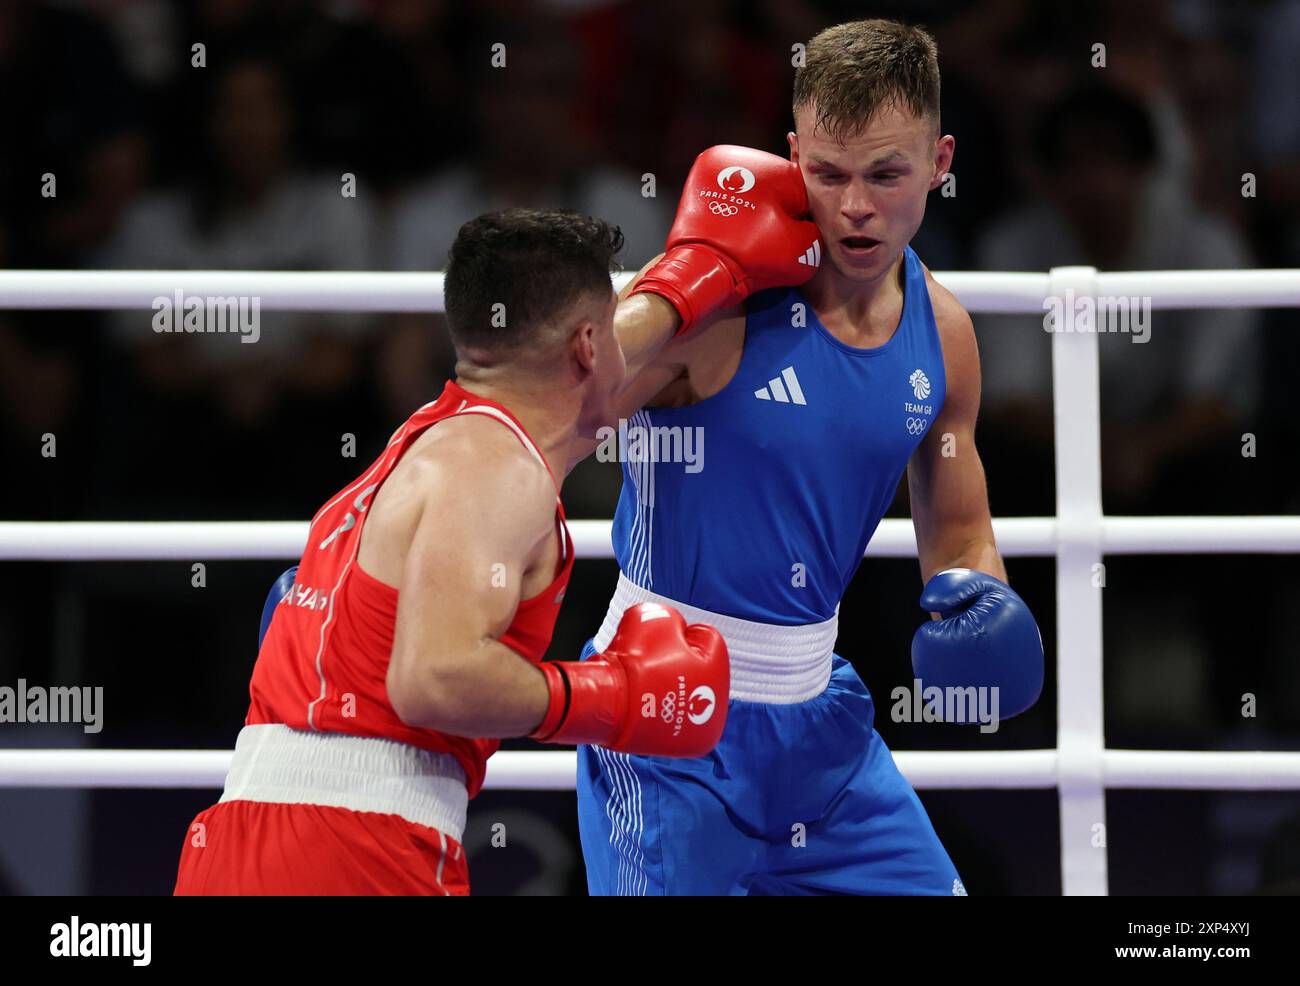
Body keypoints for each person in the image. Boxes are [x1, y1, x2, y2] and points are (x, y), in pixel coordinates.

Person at [174, 184, 821, 894]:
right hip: (355, 846)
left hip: (251, 835)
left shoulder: (439, 437)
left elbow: (584, 387)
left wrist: (694, 279)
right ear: (585, 344)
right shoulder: (499, 472)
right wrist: (609, 697)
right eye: (605, 329)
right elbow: (434, 678)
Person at [574, 18, 1044, 895]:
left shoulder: (942, 333)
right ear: (792, 157)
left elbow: (960, 531)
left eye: (886, 174)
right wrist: (672, 288)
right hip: (667, 723)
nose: (855, 206)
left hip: (823, 734)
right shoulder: (719, 309)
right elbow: (550, 404)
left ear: (941, 163)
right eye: (826, 175)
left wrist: (987, 600)